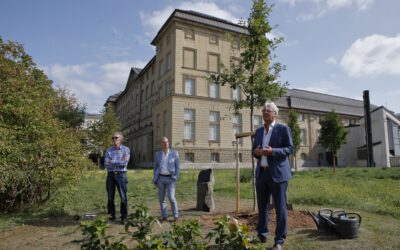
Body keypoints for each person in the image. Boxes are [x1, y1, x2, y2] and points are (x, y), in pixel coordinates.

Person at [252, 102, 294, 250]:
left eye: (268, 111)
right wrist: (256, 153)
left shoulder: (283, 129)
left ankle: (279, 241)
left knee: (280, 208)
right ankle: (262, 235)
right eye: (263, 111)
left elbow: (290, 149)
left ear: (275, 114)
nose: (265, 113)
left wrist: (273, 152)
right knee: (262, 207)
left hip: (278, 175)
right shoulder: (258, 132)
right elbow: (254, 150)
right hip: (262, 174)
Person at [104, 132, 130, 224]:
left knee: (123, 197)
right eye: (113, 138)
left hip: (121, 175)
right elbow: (107, 164)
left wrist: (112, 161)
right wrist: (118, 161)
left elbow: (124, 163)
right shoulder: (109, 150)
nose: (114, 140)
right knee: (110, 197)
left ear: (121, 139)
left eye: (116, 138)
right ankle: (112, 217)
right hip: (110, 175)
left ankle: (124, 218)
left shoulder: (126, 150)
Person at [153, 136, 180, 222]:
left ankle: (176, 215)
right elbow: (156, 167)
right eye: (163, 142)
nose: (165, 144)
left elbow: (177, 167)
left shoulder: (174, 153)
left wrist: (175, 177)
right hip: (161, 178)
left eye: (167, 142)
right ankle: (164, 216)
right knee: (162, 199)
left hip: (170, 179)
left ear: (169, 143)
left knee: (172, 198)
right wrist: (156, 178)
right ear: (161, 144)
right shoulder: (157, 154)